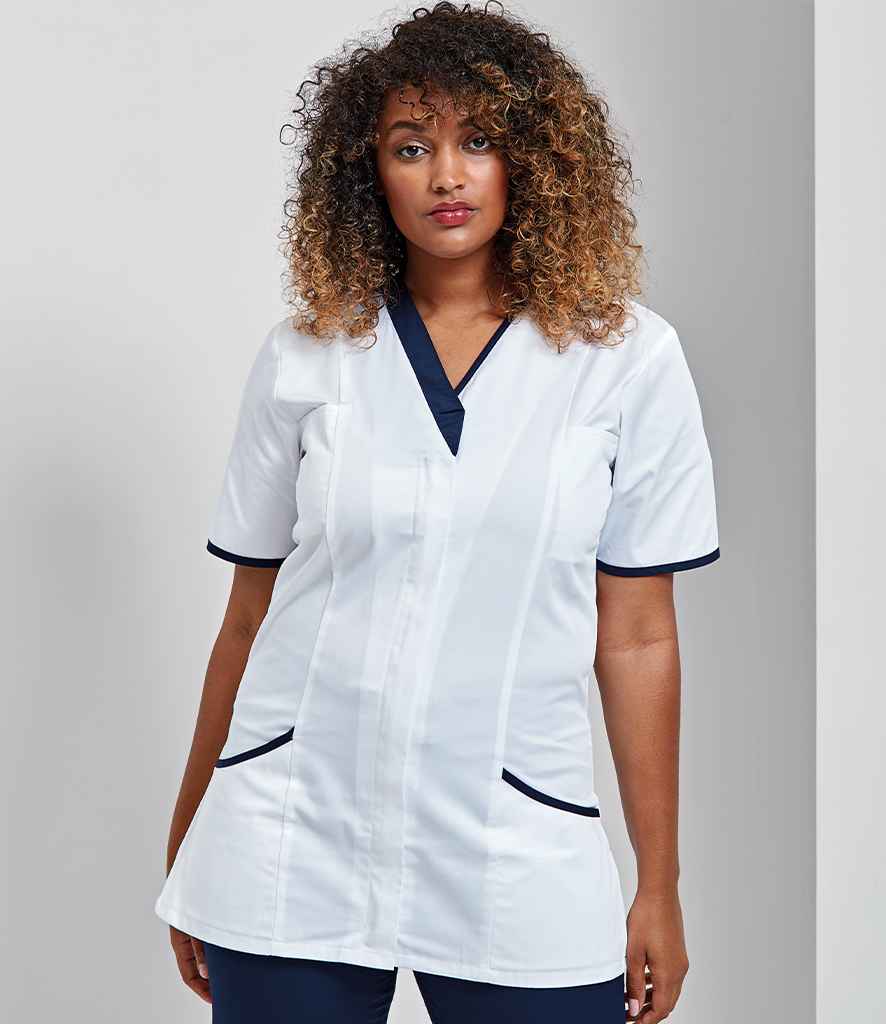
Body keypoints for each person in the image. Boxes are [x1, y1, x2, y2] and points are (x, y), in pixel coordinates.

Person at [154, 3, 721, 1022]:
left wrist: (659, 883)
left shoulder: (626, 360)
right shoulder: (308, 352)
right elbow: (248, 616)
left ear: (534, 160)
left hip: (516, 840)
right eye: (411, 147)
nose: (446, 176)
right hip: (289, 836)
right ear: (368, 172)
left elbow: (637, 636)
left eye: (479, 141)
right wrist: (195, 835)